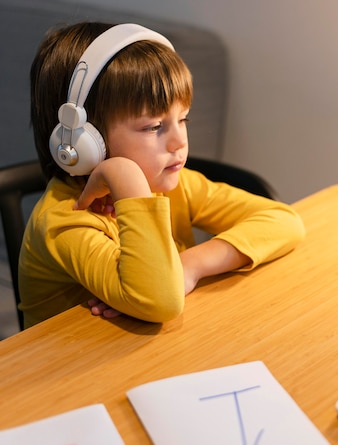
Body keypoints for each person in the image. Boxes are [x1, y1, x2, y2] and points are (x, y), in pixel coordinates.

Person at [19, 22, 305, 329]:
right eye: (154, 127)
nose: (180, 141)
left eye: (183, 119)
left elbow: (284, 220)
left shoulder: (173, 185)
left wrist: (190, 266)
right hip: (68, 371)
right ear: (84, 141)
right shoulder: (65, 222)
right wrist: (127, 179)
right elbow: (160, 301)